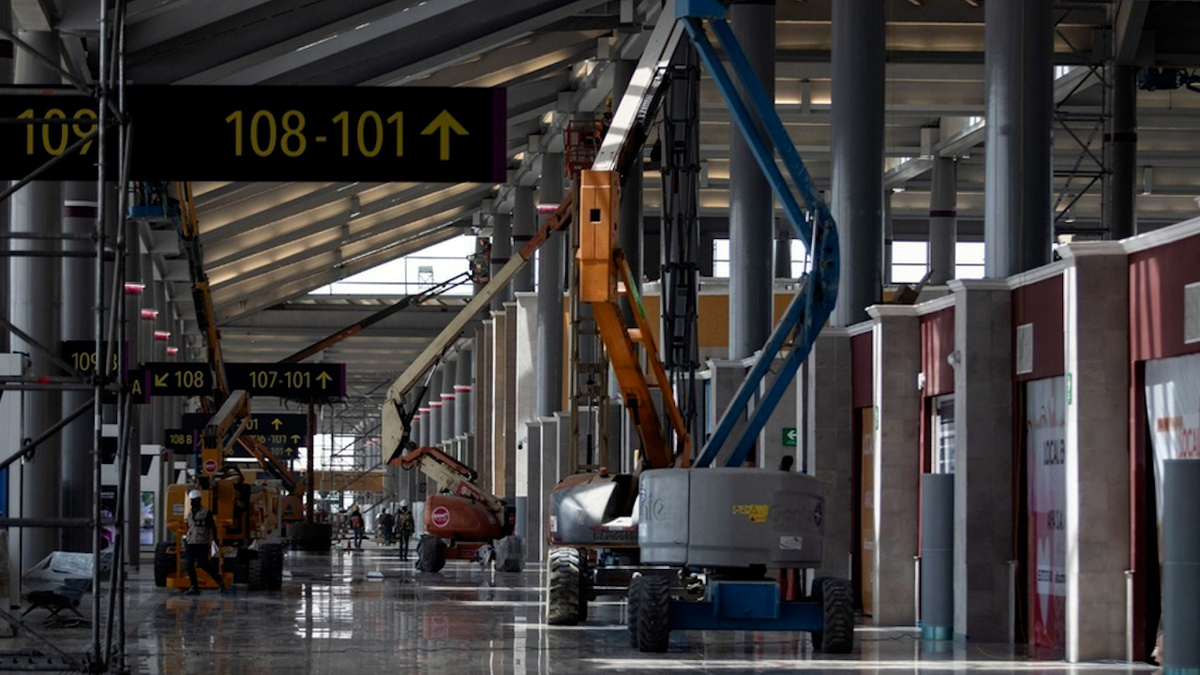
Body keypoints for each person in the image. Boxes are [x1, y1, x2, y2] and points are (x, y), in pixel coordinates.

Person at [183, 489, 228, 595]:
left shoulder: (206, 512)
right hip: (190, 542)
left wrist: (214, 541)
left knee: (204, 564)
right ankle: (194, 586)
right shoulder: (189, 514)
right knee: (189, 565)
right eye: (191, 500)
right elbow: (189, 527)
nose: (193, 502)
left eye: (195, 500)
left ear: (199, 500)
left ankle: (219, 581)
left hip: (201, 542)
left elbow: (212, 527)